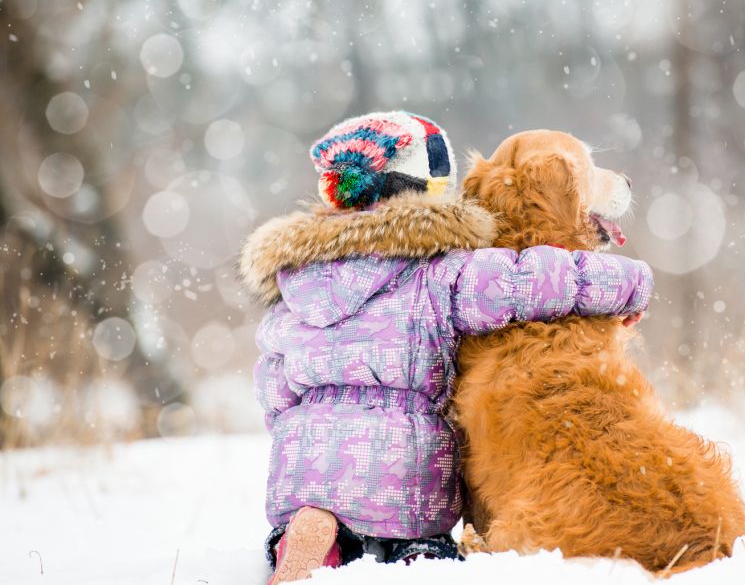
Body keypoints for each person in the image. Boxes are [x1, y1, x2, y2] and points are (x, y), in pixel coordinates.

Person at [238, 111, 652, 584]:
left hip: (305, 466)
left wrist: (301, 432)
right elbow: (532, 282)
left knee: (307, 514)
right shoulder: (441, 271)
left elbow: (273, 387)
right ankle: (420, 559)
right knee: (426, 548)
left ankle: (311, 536)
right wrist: (631, 283)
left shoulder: (294, 285)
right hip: (407, 467)